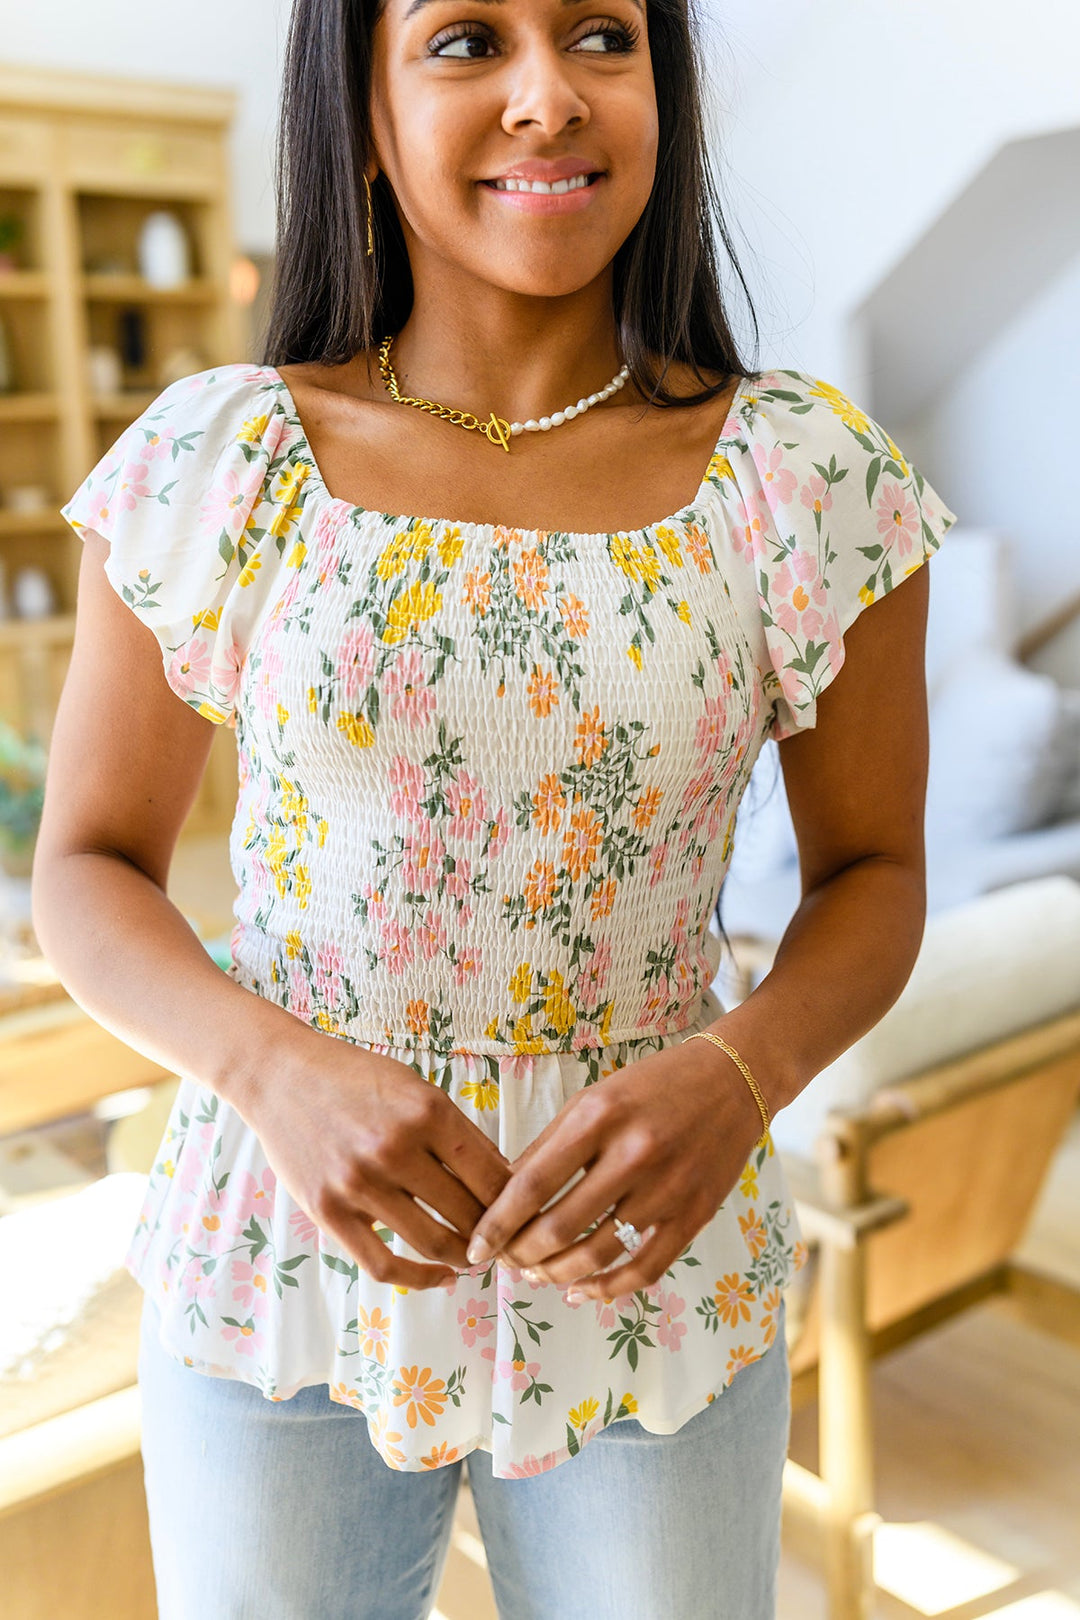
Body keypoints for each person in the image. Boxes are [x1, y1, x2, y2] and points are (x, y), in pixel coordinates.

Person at [32, 0, 958, 1614]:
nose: (549, 96)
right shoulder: (222, 461)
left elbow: (873, 874)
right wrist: (274, 1070)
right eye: (467, 42)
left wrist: (742, 1078)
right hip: (283, 1231)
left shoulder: (804, 477)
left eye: (601, 34)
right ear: (364, 111)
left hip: (651, 1243)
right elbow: (89, 870)